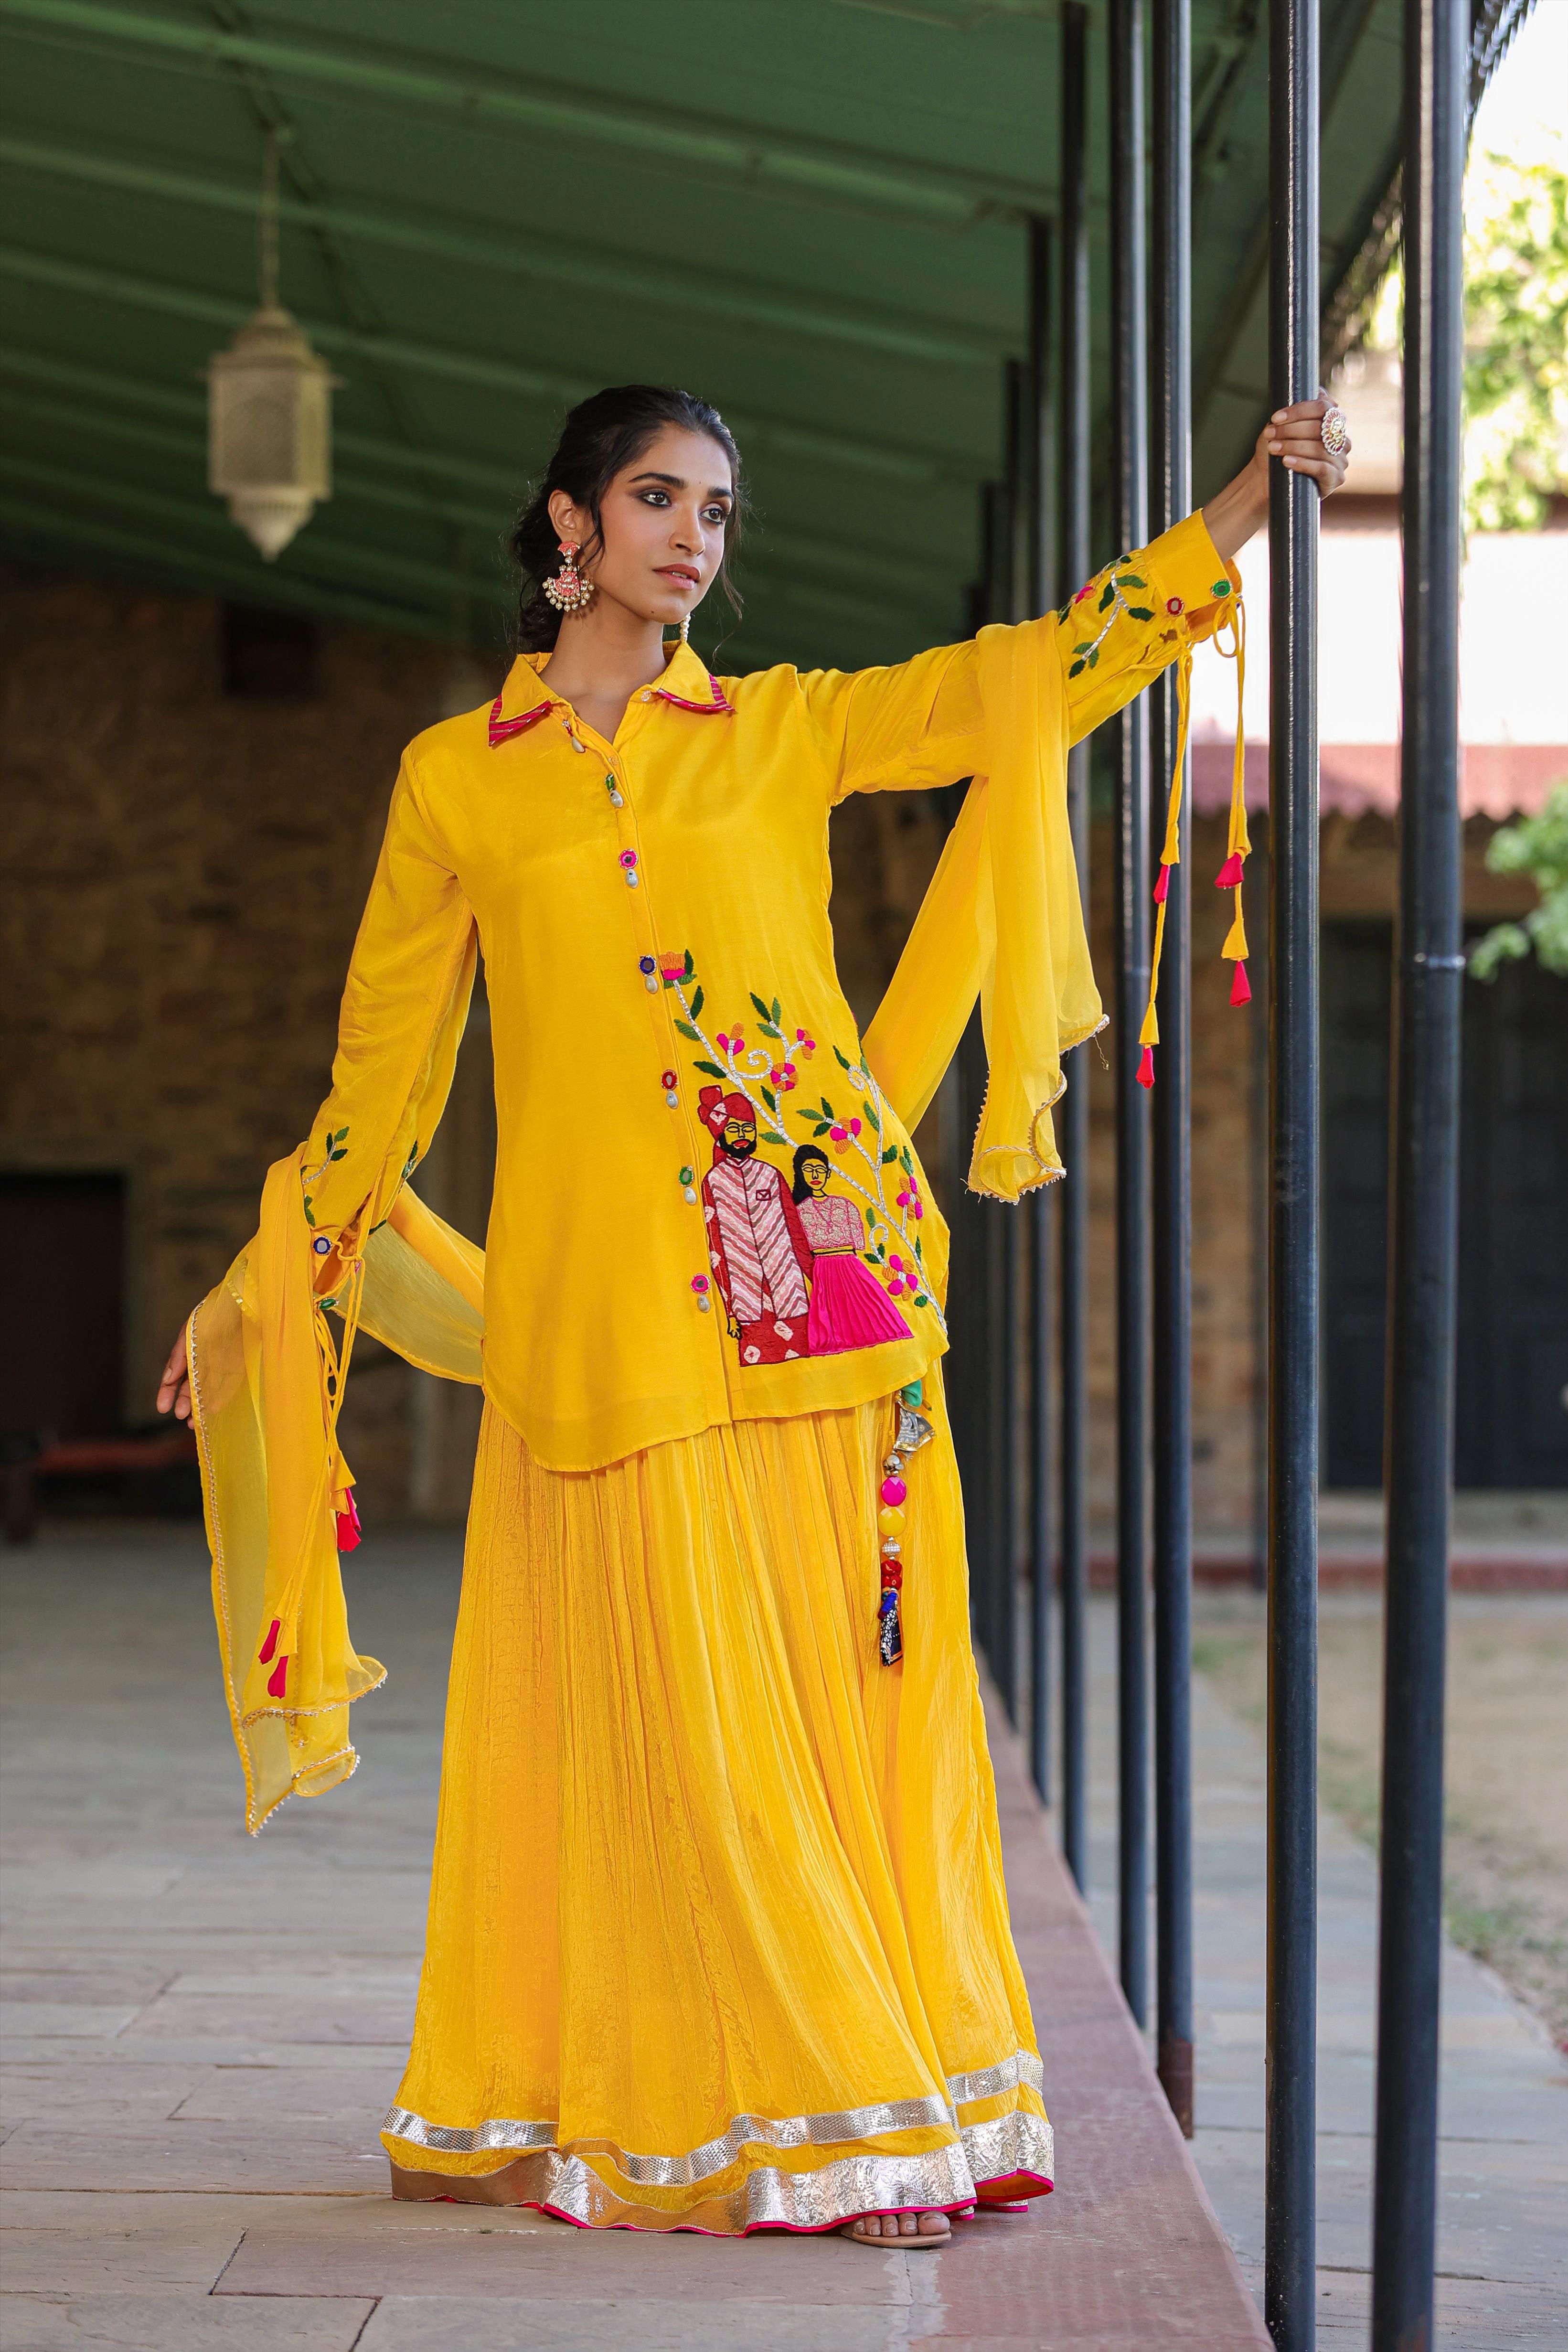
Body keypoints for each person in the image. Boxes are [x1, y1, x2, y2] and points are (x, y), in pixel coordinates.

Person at [159, 381, 1347, 2245]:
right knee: (672, 1728)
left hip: (813, 1274)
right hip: (597, 1319)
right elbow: (376, 1077)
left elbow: (1027, 675)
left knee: (824, 1710)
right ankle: (786, 2105)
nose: (691, 537)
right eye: (654, 498)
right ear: (567, 526)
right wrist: (276, 1278)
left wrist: (1239, 515)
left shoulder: (784, 727)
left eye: (715, 509)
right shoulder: (453, 777)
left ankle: (885, 2088)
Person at [791, 1143, 914, 1358]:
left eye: (820, 1170)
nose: (815, 1175)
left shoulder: (845, 1205)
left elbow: (858, 1244)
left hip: (850, 1263)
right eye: (808, 1170)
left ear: (829, 1173)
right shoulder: (800, 1211)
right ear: (800, 1174)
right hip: (823, 1267)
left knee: (870, 1310)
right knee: (832, 1317)